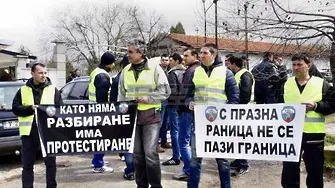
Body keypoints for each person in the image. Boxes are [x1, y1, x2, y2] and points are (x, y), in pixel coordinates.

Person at [118, 41, 171, 188]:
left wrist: (148, 99)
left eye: (130, 52)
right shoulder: (126, 70)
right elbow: (121, 94)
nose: (127, 55)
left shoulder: (155, 69)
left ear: (140, 53)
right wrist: (121, 113)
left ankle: (155, 185)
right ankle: (141, 185)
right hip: (133, 117)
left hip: (151, 116)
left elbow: (165, 91)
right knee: (137, 155)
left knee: (150, 154)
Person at [186, 43, 239, 188]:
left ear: (214, 55)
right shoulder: (195, 72)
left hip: (219, 125)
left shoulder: (226, 73)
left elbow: (234, 98)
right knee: (195, 160)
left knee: (222, 160)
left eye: (205, 53)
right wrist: (189, 103)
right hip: (199, 123)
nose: (201, 56)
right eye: (200, 53)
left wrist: (226, 114)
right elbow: (188, 96)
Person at [279, 53, 335, 188]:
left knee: (315, 172)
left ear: (308, 65)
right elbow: (277, 107)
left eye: (299, 64)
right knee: (289, 172)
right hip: (291, 134)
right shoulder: (285, 85)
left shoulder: (322, 84)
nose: (295, 68)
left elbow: (332, 104)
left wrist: (316, 106)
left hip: (314, 136)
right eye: (293, 65)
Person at [12, 63, 62, 188]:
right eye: (40, 73)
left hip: (47, 133)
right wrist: (29, 109)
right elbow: (15, 108)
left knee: (50, 163)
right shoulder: (23, 90)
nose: (43, 75)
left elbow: (61, 110)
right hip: (29, 133)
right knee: (27, 165)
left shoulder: (53, 90)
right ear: (32, 73)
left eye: (45, 73)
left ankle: (51, 186)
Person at [173, 48, 200, 181]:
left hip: (187, 111)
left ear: (195, 56)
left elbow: (185, 93)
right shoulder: (198, 69)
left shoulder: (190, 71)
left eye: (186, 56)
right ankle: (192, 170)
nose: (184, 58)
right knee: (190, 142)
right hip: (193, 110)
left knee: (183, 141)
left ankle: (188, 170)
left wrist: (181, 107)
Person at [227, 56, 254, 176]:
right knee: (236, 137)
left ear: (234, 64)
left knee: (241, 138)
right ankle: (238, 160)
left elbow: (245, 95)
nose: (227, 65)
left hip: (244, 112)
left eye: (228, 63)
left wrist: (237, 107)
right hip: (240, 111)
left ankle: (243, 165)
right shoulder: (239, 74)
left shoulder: (245, 75)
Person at [88, 52, 115, 173]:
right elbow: (102, 96)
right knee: (103, 138)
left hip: (94, 109)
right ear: (110, 63)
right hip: (101, 111)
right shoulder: (103, 76)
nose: (114, 65)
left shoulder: (96, 71)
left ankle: (98, 160)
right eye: (113, 62)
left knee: (99, 136)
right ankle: (98, 164)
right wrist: (106, 111)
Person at [110, 55, 134, 180]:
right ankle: (137, 170)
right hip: (141, 114)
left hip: (124, 115)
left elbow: (113, 101)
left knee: (128, 144)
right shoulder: (140, 76)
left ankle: (130, 171)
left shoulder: (118, 79)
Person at [162, 53, 185, 166]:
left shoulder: (172, 73)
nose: (169, 62)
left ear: (176, 61)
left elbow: (172, 91)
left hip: (174, 105)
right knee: (184, 131)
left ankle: (176, 156)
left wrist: (167, 98)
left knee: (174, 132)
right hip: (184, 106)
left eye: (171, 60)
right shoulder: (186, 71)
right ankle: (183, 155)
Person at [158, 53, 171, 152]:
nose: (165, 62)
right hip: (160, 100)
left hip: (168, 99)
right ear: (160, 61)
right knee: (159, 122)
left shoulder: (170, 71)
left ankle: (164, 140)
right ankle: (156, 143)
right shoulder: (157, 71)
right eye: (163, 60)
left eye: (167, 60)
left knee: (166, 122)